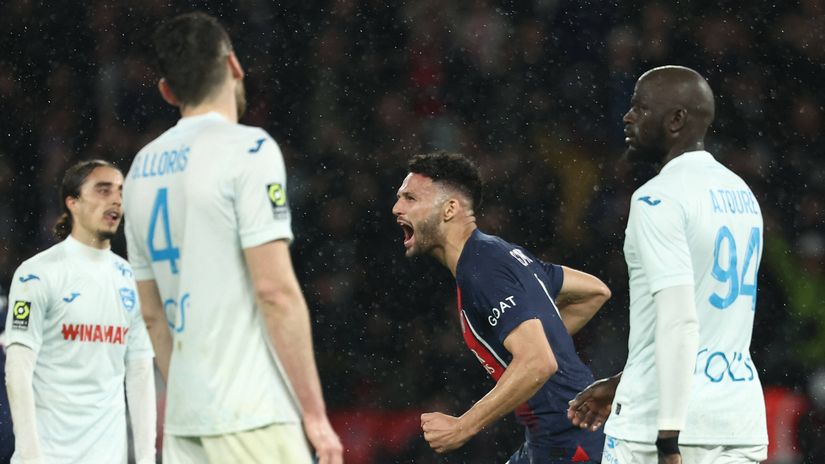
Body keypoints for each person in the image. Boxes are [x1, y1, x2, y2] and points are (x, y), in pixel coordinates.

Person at [122, 12, 342, 464]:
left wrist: (192, 395)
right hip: (252, 413)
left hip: (185, 422)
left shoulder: (139, 170)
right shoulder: (249, 149)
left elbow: (151, 316)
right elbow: (275, 291)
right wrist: (315, 416)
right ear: (235, 66)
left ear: (167, 91)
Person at [567, 65, 769, 464]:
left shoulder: (657, 198)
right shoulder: (742, 194)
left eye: (640, 108)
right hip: (734, 419)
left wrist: (668, 437)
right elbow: (708, 322)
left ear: (676, 119)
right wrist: (626, 381)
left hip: (655, 428)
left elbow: (680, 320)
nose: (628, 117)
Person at [392, 151, 611, 463]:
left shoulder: (482, 267)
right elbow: (595, 291)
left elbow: (538, 362)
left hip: (571, 445)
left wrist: (462, 427)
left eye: (410, 198)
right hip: (553, 440)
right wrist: (538, 337)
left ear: (450, 208)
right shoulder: (500, 255)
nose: (397, 208)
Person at [4, 160, 156, 463]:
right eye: (103, 190)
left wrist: (146, 459)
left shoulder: (131, 279)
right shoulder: (37, 274)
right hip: (50, 456)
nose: (115, 199)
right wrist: (31, 456)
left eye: (120, 192)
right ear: (72, 201)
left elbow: (140, 374)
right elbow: (17, 370)